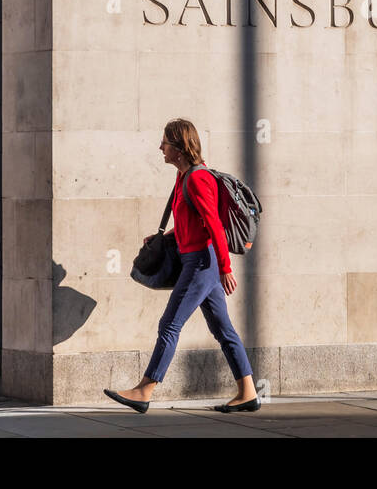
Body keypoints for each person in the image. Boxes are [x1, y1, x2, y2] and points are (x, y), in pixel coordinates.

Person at [104, 118, 260, 414]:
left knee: (170, 324)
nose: (159, 147)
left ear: (178, 147)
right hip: (200, 259)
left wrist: (225, 267)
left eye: (164, 142)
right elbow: (194, 222)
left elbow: (214, 223)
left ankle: (144, 390)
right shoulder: (183, 176)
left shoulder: (199, 178)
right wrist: (166, 236)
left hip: (203, 262)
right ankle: (248, 391)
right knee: (222, 328)